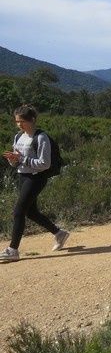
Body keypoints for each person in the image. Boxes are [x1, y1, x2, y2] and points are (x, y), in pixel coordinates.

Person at [1, 104, 69, 262]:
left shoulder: (41, 137)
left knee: (18, 211)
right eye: (17, 121)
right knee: (31, 212)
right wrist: (13, 161)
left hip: (36, 177)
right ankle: (59, 234)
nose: (19, 124)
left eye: (22, 121)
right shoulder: (18, 136)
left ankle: (13, 250)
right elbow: (17, 162)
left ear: (32, 119)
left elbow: (45, 163)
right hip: (22, 176)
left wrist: (22, 159)